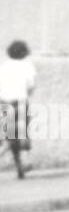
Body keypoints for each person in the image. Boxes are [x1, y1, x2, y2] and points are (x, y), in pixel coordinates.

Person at [0, 40, 37, 179]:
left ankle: (19, 166)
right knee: (22, 134)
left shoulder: (3, 66)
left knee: (11, 137)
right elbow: (31, 86)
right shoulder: (28, 66)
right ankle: (25, 161)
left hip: (4, 103)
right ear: (24, 52)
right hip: (20, 102)